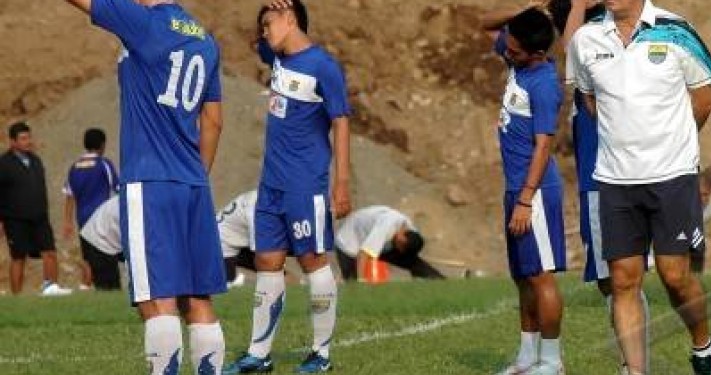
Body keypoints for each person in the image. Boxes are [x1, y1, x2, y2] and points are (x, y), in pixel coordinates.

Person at [63, 0, 226, 374]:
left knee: (156, 299)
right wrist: (195, 174)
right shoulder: (205, 38)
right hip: (193, 184)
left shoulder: (144, 22)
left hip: (150, 182)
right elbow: (214, 122)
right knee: (199, 300)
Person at [566, 0, 711, 374]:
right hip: (615, 179)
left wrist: (672, 145)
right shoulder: (585, 39)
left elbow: (704, 99)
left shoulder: (677, 31)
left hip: (673, 176)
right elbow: (590, 101)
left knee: (675, 277)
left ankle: (704, 346)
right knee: (623, 282)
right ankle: (635, 371)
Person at [224, 1, 352, 374]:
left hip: (305, 185)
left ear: (291, 18)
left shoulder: (323, 67)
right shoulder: (277, 59)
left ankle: (321, 355)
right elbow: (255, 43)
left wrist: (341, 183)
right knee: (267, 261)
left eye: (269, 23)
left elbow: (341, 123)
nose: (264, 31)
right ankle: (258, 355)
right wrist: (265, 19)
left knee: (313, 261)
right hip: (270, 186)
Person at [548, 1, 650, 373]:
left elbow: (571, 45)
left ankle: (633, 365)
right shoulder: (592, 50)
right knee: (617, 281)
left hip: (606, 179)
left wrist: (577, 4)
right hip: (601, 177)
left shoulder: (608, 52)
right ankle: (634, 364)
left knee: (620, 280)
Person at [480, 6, 567, 375]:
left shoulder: (544, 83)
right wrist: (528, 10)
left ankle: (551, 361)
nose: (506, 54)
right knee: (523, 276)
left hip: (535, 194)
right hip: (515, 189)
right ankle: (526, 358)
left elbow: (543, 146)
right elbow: (486, 25)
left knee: (540, 276)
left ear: (537, 54)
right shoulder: (519, 61)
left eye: (514, 51)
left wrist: (526, 199)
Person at [80, 191, 261, 287]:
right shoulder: (142, 208)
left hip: (105, 234)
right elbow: (137, 249)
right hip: (98, 240)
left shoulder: (151, 203)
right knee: (108, 287)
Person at [0, 122, 73, 296]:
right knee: (18, 257)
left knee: (49, 252)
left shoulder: (35, 160)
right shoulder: (4, 163)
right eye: (23, 138)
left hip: (40, 217)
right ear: (12, 142)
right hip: (15, 219)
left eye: (29, 137)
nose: (28, 141)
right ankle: (16, 296)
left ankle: (51, 288)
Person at [62, 128, 121, 290]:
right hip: (101, 223)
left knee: (89, 260)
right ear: (102, 145)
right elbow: (117, 189)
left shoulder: (74, 167)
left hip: (82, 221)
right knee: (107, 261)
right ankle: (109, 290)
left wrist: (67, 222)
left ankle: (89, 288)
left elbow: (69, 195)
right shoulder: (103, 164)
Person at [335, 205, 445, 281]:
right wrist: (361, 281)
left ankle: (442, 284)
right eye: (400, 246)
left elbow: (409, 252)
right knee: (354, 282)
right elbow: (363, 254)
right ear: (401, 239)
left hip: (382, 245)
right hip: (350, 243)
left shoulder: (410, 229)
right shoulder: (386, 227)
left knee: (413, 262)